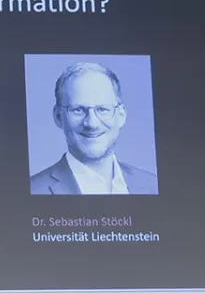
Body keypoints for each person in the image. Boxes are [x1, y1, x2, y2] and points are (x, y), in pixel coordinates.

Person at [29, 62, 157, 195]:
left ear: (121, 115)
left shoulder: (152, 185)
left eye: (102, 109)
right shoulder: (33, 190)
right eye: (78, 110)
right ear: (58, 116)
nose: (92, 123)